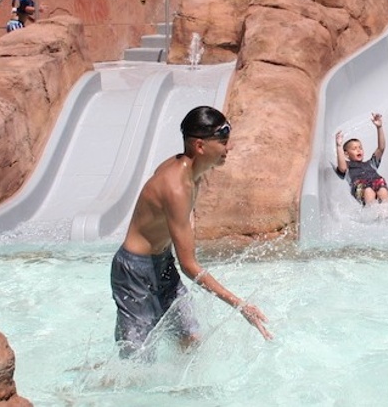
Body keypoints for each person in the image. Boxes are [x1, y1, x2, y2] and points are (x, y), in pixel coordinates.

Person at [111, 106, 272, 357]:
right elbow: (189, 266)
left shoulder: (192, 172)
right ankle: (86, 389)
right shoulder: (176, 187)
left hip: (161, 263)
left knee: (190, 340)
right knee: (136, 362)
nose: (228, 148)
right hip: (134, 273)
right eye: (223, 142)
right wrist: (240, 306)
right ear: (200, 146)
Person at [334, 113, 388, 205]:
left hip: (376, 182)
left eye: (360, 148)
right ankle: (372, 214)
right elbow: (342, 168)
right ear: (346, 154)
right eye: (354, 149)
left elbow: (381, 148)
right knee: (368, 191)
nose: (358, 150)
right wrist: (339, 146)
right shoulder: (348, 167)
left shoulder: (371, 164)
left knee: (383, 191)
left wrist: (379, 128)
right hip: (360, 188)